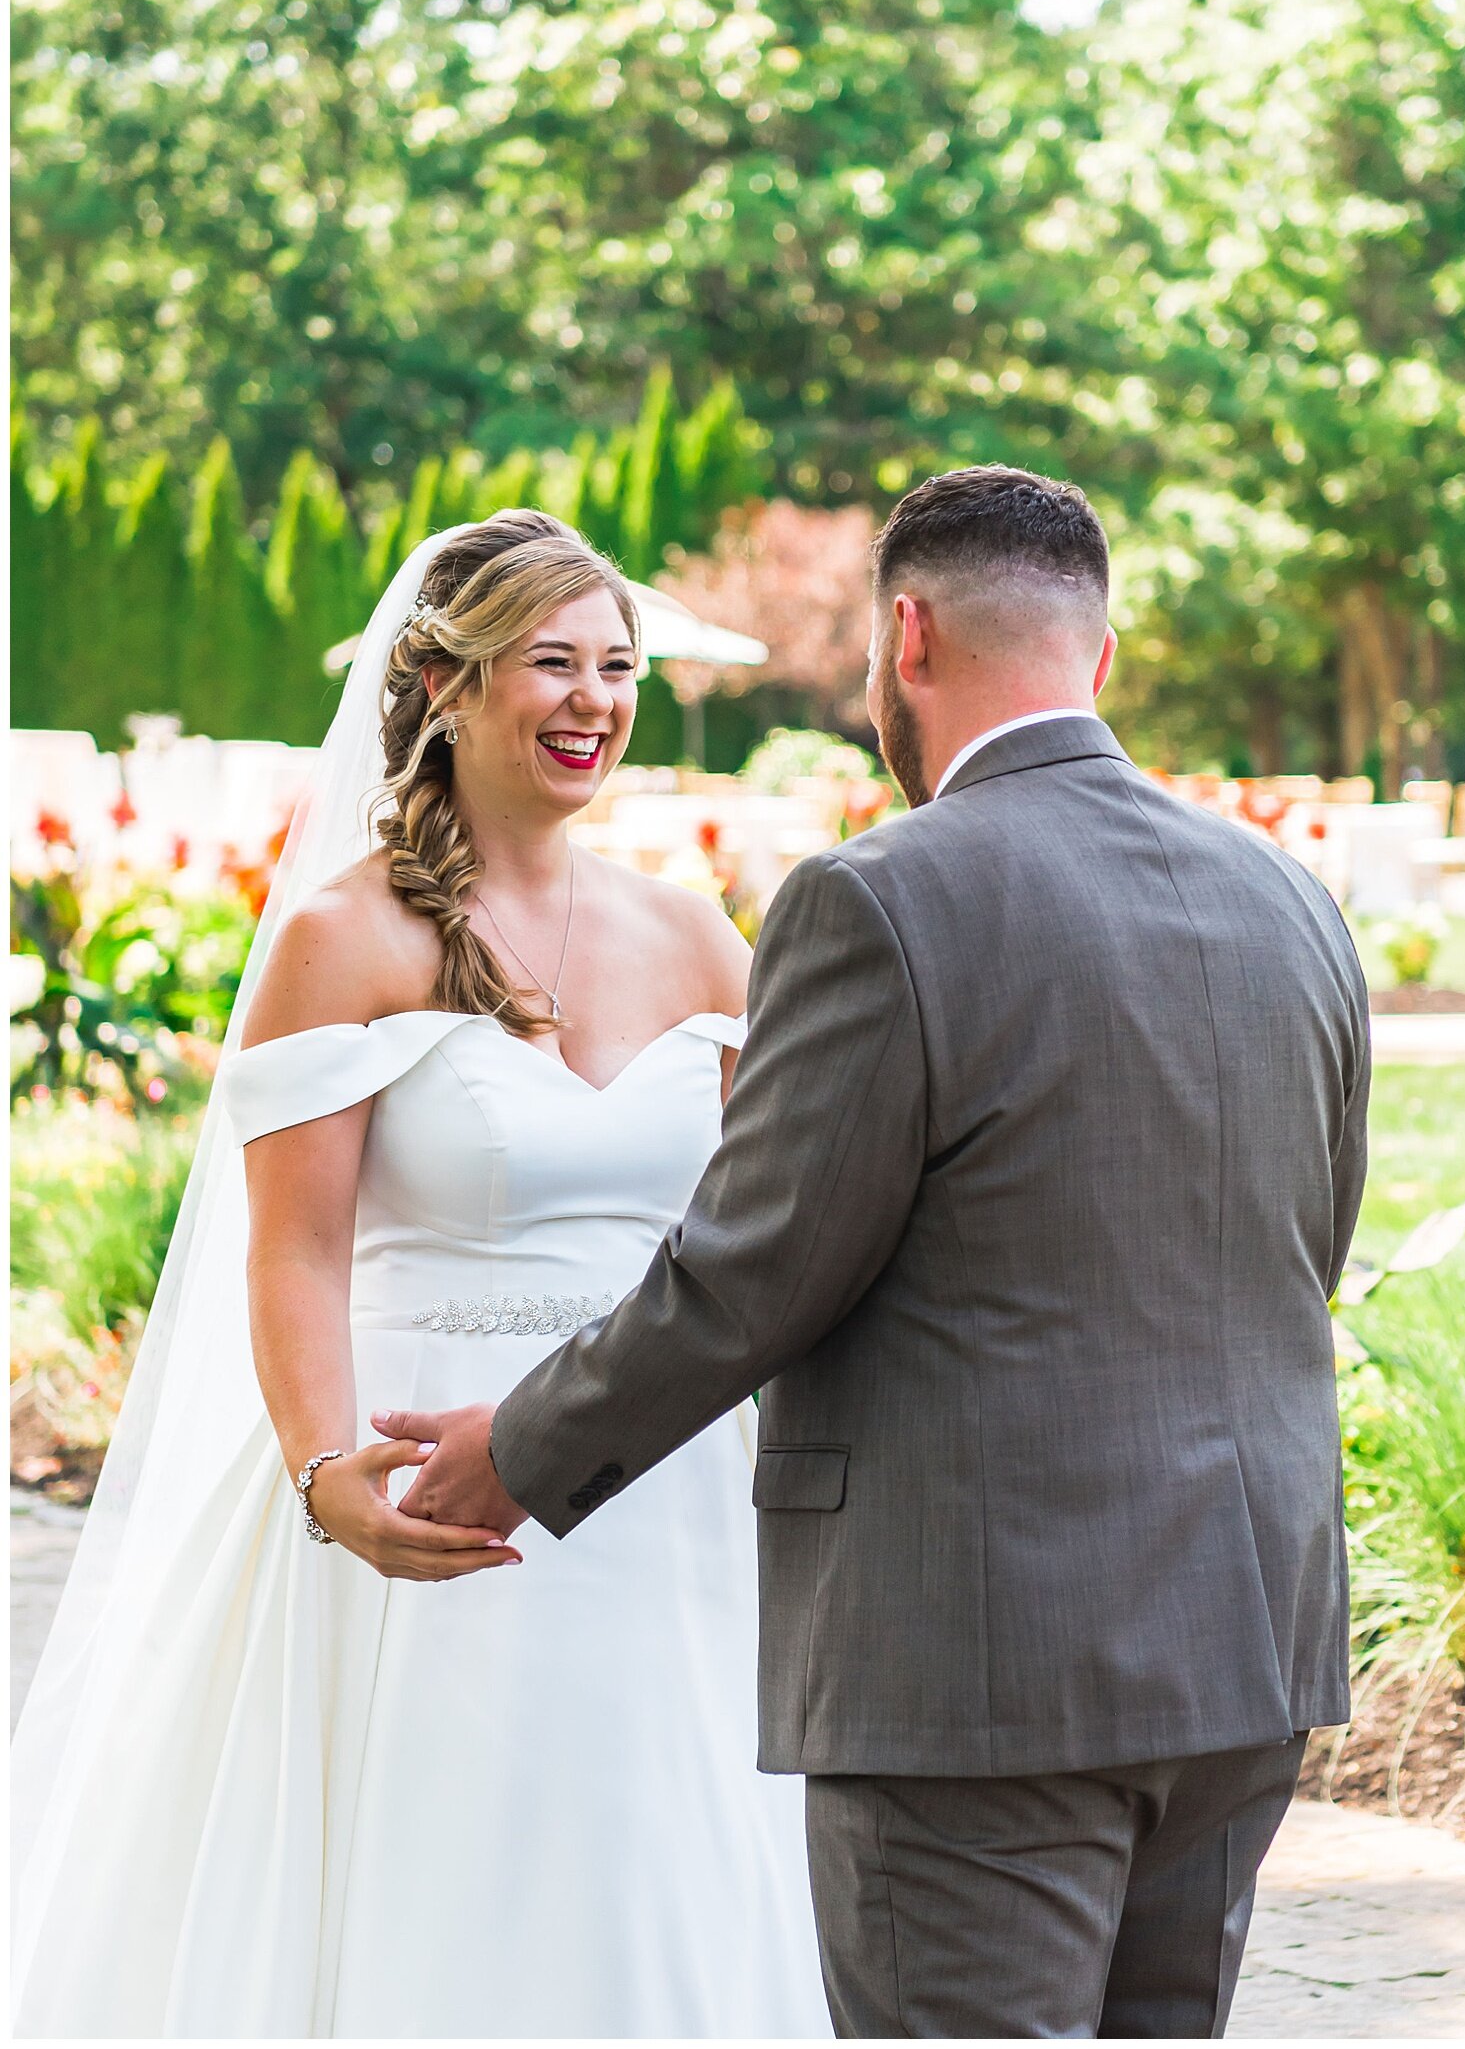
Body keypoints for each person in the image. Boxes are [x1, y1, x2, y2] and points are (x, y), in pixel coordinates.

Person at [388, 465, 1372, 2040]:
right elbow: (1298, 1245)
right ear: (1097, 657)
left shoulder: (875, 899)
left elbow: (754, 1273)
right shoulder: (1291, 902)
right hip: (1244, 1647)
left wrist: (517, 1447)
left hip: (975, 1669)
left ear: (904, 635)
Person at [11, 512, 830, 2038]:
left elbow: (764, 1228)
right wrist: (329, 1474)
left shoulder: (697, 935)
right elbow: (296, 1246)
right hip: (419, 1486)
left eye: (616, 665)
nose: (593, 699)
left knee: (667, 1856)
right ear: (446, 685)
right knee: (453, 1878)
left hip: (666, 1493)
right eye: (551, 663)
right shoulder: (345, 938)